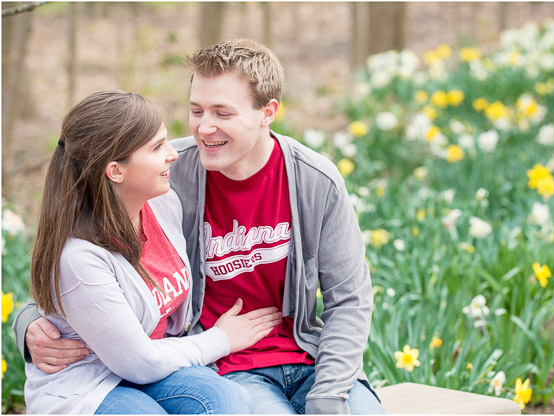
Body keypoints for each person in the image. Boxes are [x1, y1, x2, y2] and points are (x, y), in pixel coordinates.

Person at [15, 40, 382, 414]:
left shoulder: (315, 181)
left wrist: (328, 397)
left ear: (267, 112)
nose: (204, 129)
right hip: (225, 367)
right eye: (196, 110)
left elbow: (349, 298)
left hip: (310, 358)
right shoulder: (163, 175)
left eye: (222, 113)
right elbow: (76, 258)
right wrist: (28, 323)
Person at [22, 90, 282, 414]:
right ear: (115, 170)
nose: (173, 154)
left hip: (155, 364)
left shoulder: (161, 203)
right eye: (157, 147)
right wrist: (221, 340)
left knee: (227, 400)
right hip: (90, 382)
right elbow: (139, 362)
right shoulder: (80, 258)